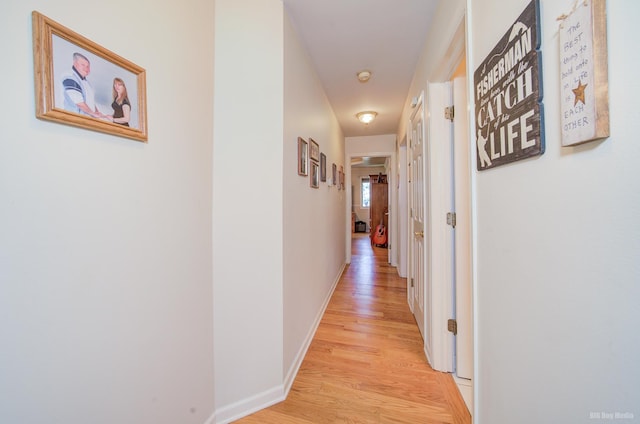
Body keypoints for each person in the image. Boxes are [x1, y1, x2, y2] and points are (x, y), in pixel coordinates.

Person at [62, 52, 105, 118]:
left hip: (87, 121)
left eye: (88, 66)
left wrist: (97, 112)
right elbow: (79, 103)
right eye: (83, 65)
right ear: (75, 64)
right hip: (75, 120)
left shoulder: (86, 82)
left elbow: (90, 101)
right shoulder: (70, 78)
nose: (86, 68)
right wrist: (93, 113)